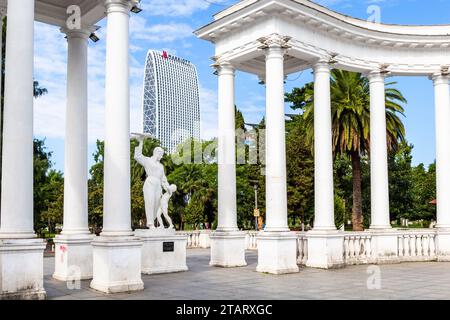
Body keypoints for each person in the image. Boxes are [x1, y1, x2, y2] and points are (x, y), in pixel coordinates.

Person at [134, 136, 170, 229]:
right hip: (150, 183)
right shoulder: (148, 161)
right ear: (156, 153)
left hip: (158, 185)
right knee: (150, 202)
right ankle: (150, 223)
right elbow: (138, 156)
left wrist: (168, 187)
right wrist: (141, 142)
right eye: (161, 154)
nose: (162, 156)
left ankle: (152, 221)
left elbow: (164, 179)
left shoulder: (161, 166)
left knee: (156, 204)